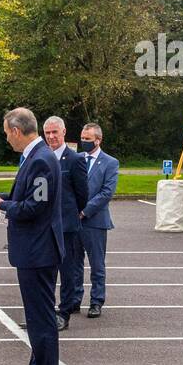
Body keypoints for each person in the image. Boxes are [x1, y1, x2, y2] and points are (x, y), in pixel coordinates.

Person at [0, 108, 63, 365]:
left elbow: (34, 208)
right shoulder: (35, 157)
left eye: (5, 133)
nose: (6, 139)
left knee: (41, 319)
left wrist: (1, 205)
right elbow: (25, 200)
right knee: (36, 318)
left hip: (38, 251)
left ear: (15, 130)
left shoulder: (41, 160)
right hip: (34, 249)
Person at [43, 117, 90, 330]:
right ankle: (46, 311)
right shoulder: (41, 157)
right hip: (44, 226)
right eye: (48, 133)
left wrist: (71, 214)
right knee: (45, 270)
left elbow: (82, 194)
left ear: (63, 132)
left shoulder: (75, 159)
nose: (51, 137)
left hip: (67, 226)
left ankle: (65, 313)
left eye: (55, 132)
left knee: (68, 271)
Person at [78, 122, 118, 318]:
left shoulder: (110, 162)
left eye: (88, 139)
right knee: (73, 264)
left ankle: (96, 301)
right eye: (82, 138)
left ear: (98, 140)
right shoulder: (76, 159)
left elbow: (106, 192)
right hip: (74, 221)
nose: (84, 142)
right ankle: (74, 299)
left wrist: (85, 211)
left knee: (97, 264)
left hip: (94, 220)